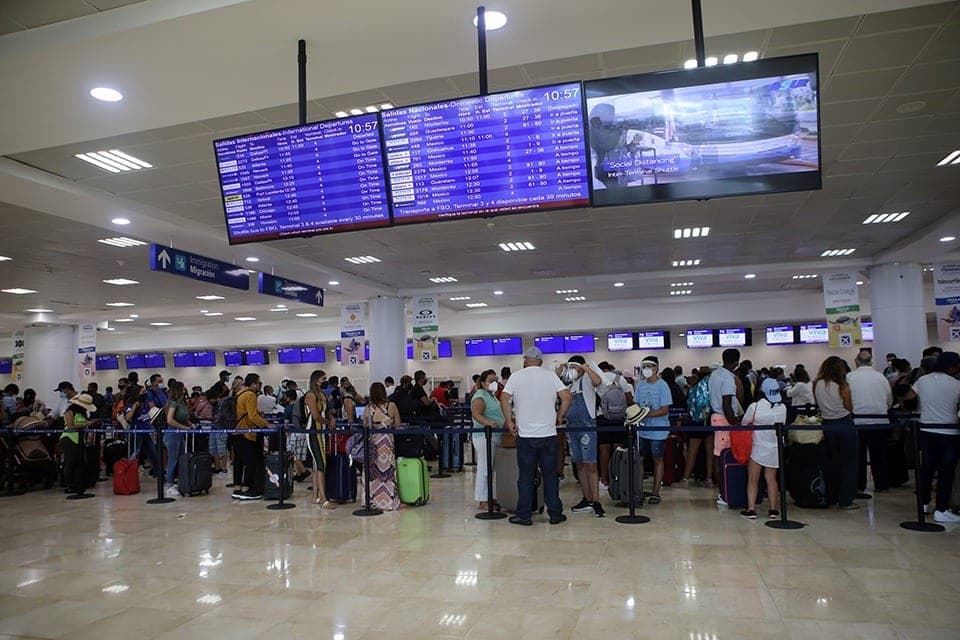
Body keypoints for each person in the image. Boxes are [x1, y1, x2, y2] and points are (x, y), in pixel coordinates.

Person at [500, 347, 571, 526]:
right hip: (548, 435)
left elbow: (504, 398)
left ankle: (524, 515)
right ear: (540, 361)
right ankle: (555, 514)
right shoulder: (550, 376)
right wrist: (559, 415)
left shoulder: (516, 377)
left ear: (526, 360)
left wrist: (509, 421)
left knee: (525, 477)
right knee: (550, 475)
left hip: (525, 436)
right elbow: (567, 397)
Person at [899, 352, 960, 523]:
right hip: (949, 432)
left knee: (926, 469)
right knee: (946, 472)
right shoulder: (956, 384)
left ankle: (923, 503)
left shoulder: (923, 380)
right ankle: (941, 508)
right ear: (952, 366)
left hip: (926, 430)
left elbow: (909, 396)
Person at [557, 355, 605, 517]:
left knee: (591, 464)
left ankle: (596, 501)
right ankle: (587, 498)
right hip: (572, 428)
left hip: (587, 427)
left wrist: (584, 368)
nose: (573, 370)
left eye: (575, 367)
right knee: (579, 465)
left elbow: (598, 381)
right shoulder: (568, 385)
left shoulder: (587, 380)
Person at [814, 356, 858, 510]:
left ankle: (830, 496)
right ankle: (846, 499)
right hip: (844, 424)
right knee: (849, 463)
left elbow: (817, 404)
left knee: (831, 462)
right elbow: (849, 407)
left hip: (826, 424)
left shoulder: (817, 384)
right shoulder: (842, 386)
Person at [739, 378, 786, 519]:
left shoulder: (755, 406)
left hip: (758, 447)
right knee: (771, 479)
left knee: (753, 479)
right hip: (775, 447)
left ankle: (752, 510)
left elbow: (744, 422)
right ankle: (773, 510)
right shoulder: (783, 407)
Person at [848, 350, 894, 493]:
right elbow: (889, 400)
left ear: (856, 361)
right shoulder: (880, 377)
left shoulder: (849, 377)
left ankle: (859, 484)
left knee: (858, 456)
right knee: (879, 456)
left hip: (857, 422)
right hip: (879, 421)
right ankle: (881, 484)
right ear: (871, 361)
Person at [632, 356, 672, 505]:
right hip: (642, 430)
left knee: (657, 459)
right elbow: (636, 404)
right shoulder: (640, 385)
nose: (646, 369)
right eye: (644, 366)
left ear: (656, 368)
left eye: (649, 366)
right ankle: (639, 490)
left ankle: (655, 492)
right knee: (640, 459)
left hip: (658, 429)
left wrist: (646, 414)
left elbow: (664, 409)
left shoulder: (663, 386)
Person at [710, 350, 744, 505]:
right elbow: (727, 404)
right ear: (736, 362)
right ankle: (724, 493)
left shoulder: (715, 375)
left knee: (720, 456)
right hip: (725, 420)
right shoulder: (728, 379)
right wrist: (735, 423)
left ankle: (723, 491)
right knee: (723, 456)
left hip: (717, 417)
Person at [362, 382, 403, 511]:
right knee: (388, 472)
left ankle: (371, 500)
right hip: (387, 443)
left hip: (374, 443)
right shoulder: (391, 406)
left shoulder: (369, 408)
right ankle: (389, 500)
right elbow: (397, 424)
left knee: (372, 472)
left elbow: (365, 426)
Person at [596, 361, 633, 489]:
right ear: (610, 368)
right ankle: (618, 478)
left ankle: (604, 480)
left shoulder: (597, 379)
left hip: (602, 417)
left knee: (604, 450)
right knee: (618, 449)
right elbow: (629, 398)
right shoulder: (620, 378)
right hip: (619, 418)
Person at [471, 369, 504, 511]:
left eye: (495, 380)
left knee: (491, 469)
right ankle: (483, 500)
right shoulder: (480, 395)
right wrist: (489, 423)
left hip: (494, 437)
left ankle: (491, 496)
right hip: (484, 437)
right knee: (485, 468)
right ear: (483, 383)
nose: (494, 383)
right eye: (491, 380)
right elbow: (476, 414)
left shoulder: (492, 396)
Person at [233, 373, 268, 500]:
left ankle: (237, 488)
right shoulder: (250, 395)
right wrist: (267, 424)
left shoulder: (239, 393)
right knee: (251, 461)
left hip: (235, 431)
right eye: (259, 383)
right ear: (253, 383)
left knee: (238, 461)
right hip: (246, 432)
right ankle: (248, 489)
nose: (260, 386)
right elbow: (252, 416)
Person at [58, 384, 98, 494]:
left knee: (80, 463)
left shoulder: (82, 413)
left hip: (79, 440)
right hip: (69, 439)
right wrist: (86, 424)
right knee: (70, 463)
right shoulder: (70, 411)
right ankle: (70, 485)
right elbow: (70, 426)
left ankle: (78, 484)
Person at [304, 370, 334, 508]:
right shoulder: (310, 396)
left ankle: (315, 496)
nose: (325, 381)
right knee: (321, 464)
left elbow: (326, 412)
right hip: (313, 432)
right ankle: (323, 498)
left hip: (321, 433)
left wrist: (331, 418)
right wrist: (328, 422)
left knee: (318, 465)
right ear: (316, 380)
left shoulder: (322, 395)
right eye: (323, 378)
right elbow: (315, 416)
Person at [162, 381, 194, 497]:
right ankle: (169, 484)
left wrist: (190, 424)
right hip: (172, 434)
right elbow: (170, 420)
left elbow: (184, 417)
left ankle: (180, 481)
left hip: (180, 435)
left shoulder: (181, 403)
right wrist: (184, 427)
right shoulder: (173, 403)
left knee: (181, 459)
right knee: (173, 460)